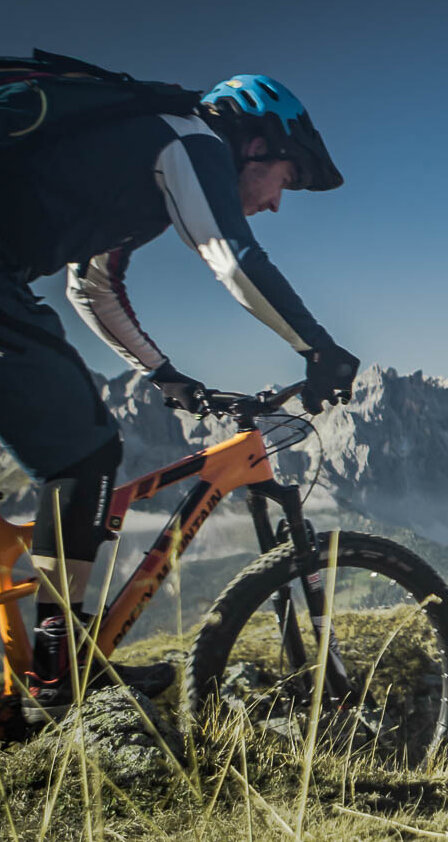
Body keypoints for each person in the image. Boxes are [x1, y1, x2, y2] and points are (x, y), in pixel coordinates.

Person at [0, 72, 359, 723]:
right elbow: (231, 256)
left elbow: (93, 289)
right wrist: (318, 349)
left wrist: (167, 376)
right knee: (81, 454)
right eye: (289, 174)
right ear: (254, 144)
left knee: (72, 447)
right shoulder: (189, 140)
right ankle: (60, 669)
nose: (281, 200)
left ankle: (59, 657)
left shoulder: (134, 166)